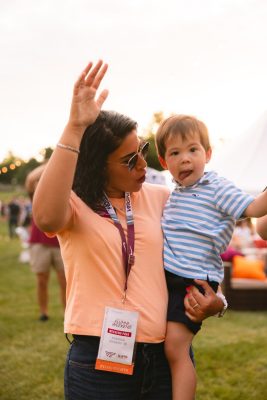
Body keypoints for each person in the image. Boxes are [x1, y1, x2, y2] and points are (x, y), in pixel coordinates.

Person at [32, 60, 225, 400]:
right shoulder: (75, 206)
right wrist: (75, 127)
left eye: (142, 151)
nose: (142, 165)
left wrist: (218, 301)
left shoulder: (164, 198)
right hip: (98, 363)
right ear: (97, 165)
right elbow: (45, 217)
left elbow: (203, 247)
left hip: (164, 358)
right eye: (127, 160)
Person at [155, 114, 267, 400]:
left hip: (193, 281)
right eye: (175, 153)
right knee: (163, 345)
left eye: (193, 150)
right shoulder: (175, 193)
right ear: (164, 161)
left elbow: (254, 209)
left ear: (208, 154)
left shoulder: (216, 186)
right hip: (168, 277)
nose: (185, 159)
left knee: (175, 349)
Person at [25, 165, 66, 321]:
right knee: (42, 279)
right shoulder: (34, 193)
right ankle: (44, 312)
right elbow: (30, 179)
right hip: (38, 242)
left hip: (60, 241)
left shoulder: (61, 191)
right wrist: (52, 163)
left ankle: (66, 313)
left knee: (64, 280)